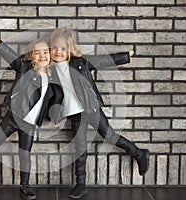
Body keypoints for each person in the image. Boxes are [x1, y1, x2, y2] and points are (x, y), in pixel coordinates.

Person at [48, 27, 150, 199]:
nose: (58, 52)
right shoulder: (51, 72)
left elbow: (104, 60)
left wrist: (126, 56)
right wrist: (56, 115)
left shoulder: (81, 62)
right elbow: (55, 98)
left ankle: (139, 153)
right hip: (74, 115)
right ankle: (81, 184)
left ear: (70, 48)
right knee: (80, 149)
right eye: (55, 48)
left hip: (91, 108)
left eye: (63, 48)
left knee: (109, 135)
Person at [0, 31, 63, 200]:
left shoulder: (53, 77)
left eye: (45, 52)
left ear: (50, 56)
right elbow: (12, 57)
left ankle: (25, 186)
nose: (42, 56)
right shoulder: (24, 68)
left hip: (29, 124)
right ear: (31, 57)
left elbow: (55, 101)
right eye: (37, 53)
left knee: (24, 154)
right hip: (14, 117)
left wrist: (56, 117)